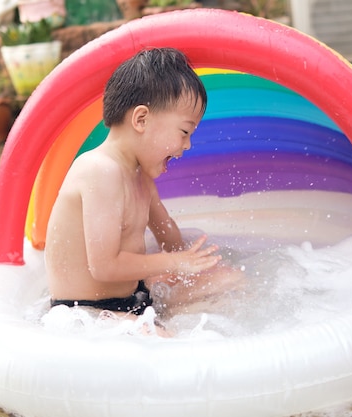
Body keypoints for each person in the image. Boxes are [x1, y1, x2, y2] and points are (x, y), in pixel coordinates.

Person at [45, 48, 242, 326]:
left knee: (232, 280)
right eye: (184, 132)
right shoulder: (100, 170)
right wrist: (175, 264)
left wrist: (193, 262)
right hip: (86, 314)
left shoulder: (139, 176)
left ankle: (164, 317)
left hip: (134, 299)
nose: (187, 145)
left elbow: (166, 233)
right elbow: (104, 266)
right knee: (167, 346)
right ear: (141, 119)